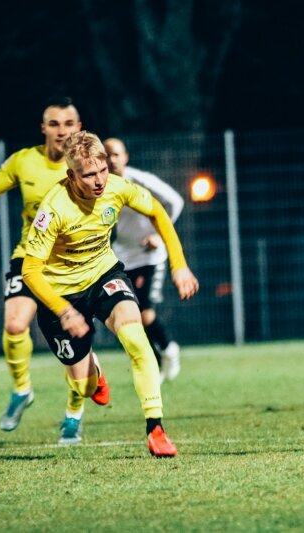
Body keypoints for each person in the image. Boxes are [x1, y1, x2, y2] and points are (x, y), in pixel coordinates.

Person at [21, 130, 199, 457]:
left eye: (103, 170)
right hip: (61, 295)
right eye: (89, 175)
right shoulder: (53, 209)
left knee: (136, 338)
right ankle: (95, 374)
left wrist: (179, 265)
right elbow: (30, 270)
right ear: (71, 176)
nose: (100, 180)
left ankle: (156, 428)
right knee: (85, 385)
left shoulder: (117, 186)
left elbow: (157, 211)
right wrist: (63, 310)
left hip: (104, 276)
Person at [0, 97, 93, 440]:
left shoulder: (89, 166)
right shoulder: (24, 161)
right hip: (29, 257)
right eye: (54, 124)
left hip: (71, 264)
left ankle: (73, 414)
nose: (61, 131)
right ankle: (22, 390)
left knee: (74, 344)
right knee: (14, 324)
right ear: (43, 128)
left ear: (78, 128)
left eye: (68, 124)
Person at [104, 137, 184, 384]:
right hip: (122, 257)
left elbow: (176, 202)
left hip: (150, 256)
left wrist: (159, 235)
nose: (112, 160)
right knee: (129, 318)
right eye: (106, 155)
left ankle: (169, 348)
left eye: (116, 154)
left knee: (146, 313)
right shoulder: (99, 186)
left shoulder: (141, 180)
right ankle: (156, 364)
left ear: (125, 157)